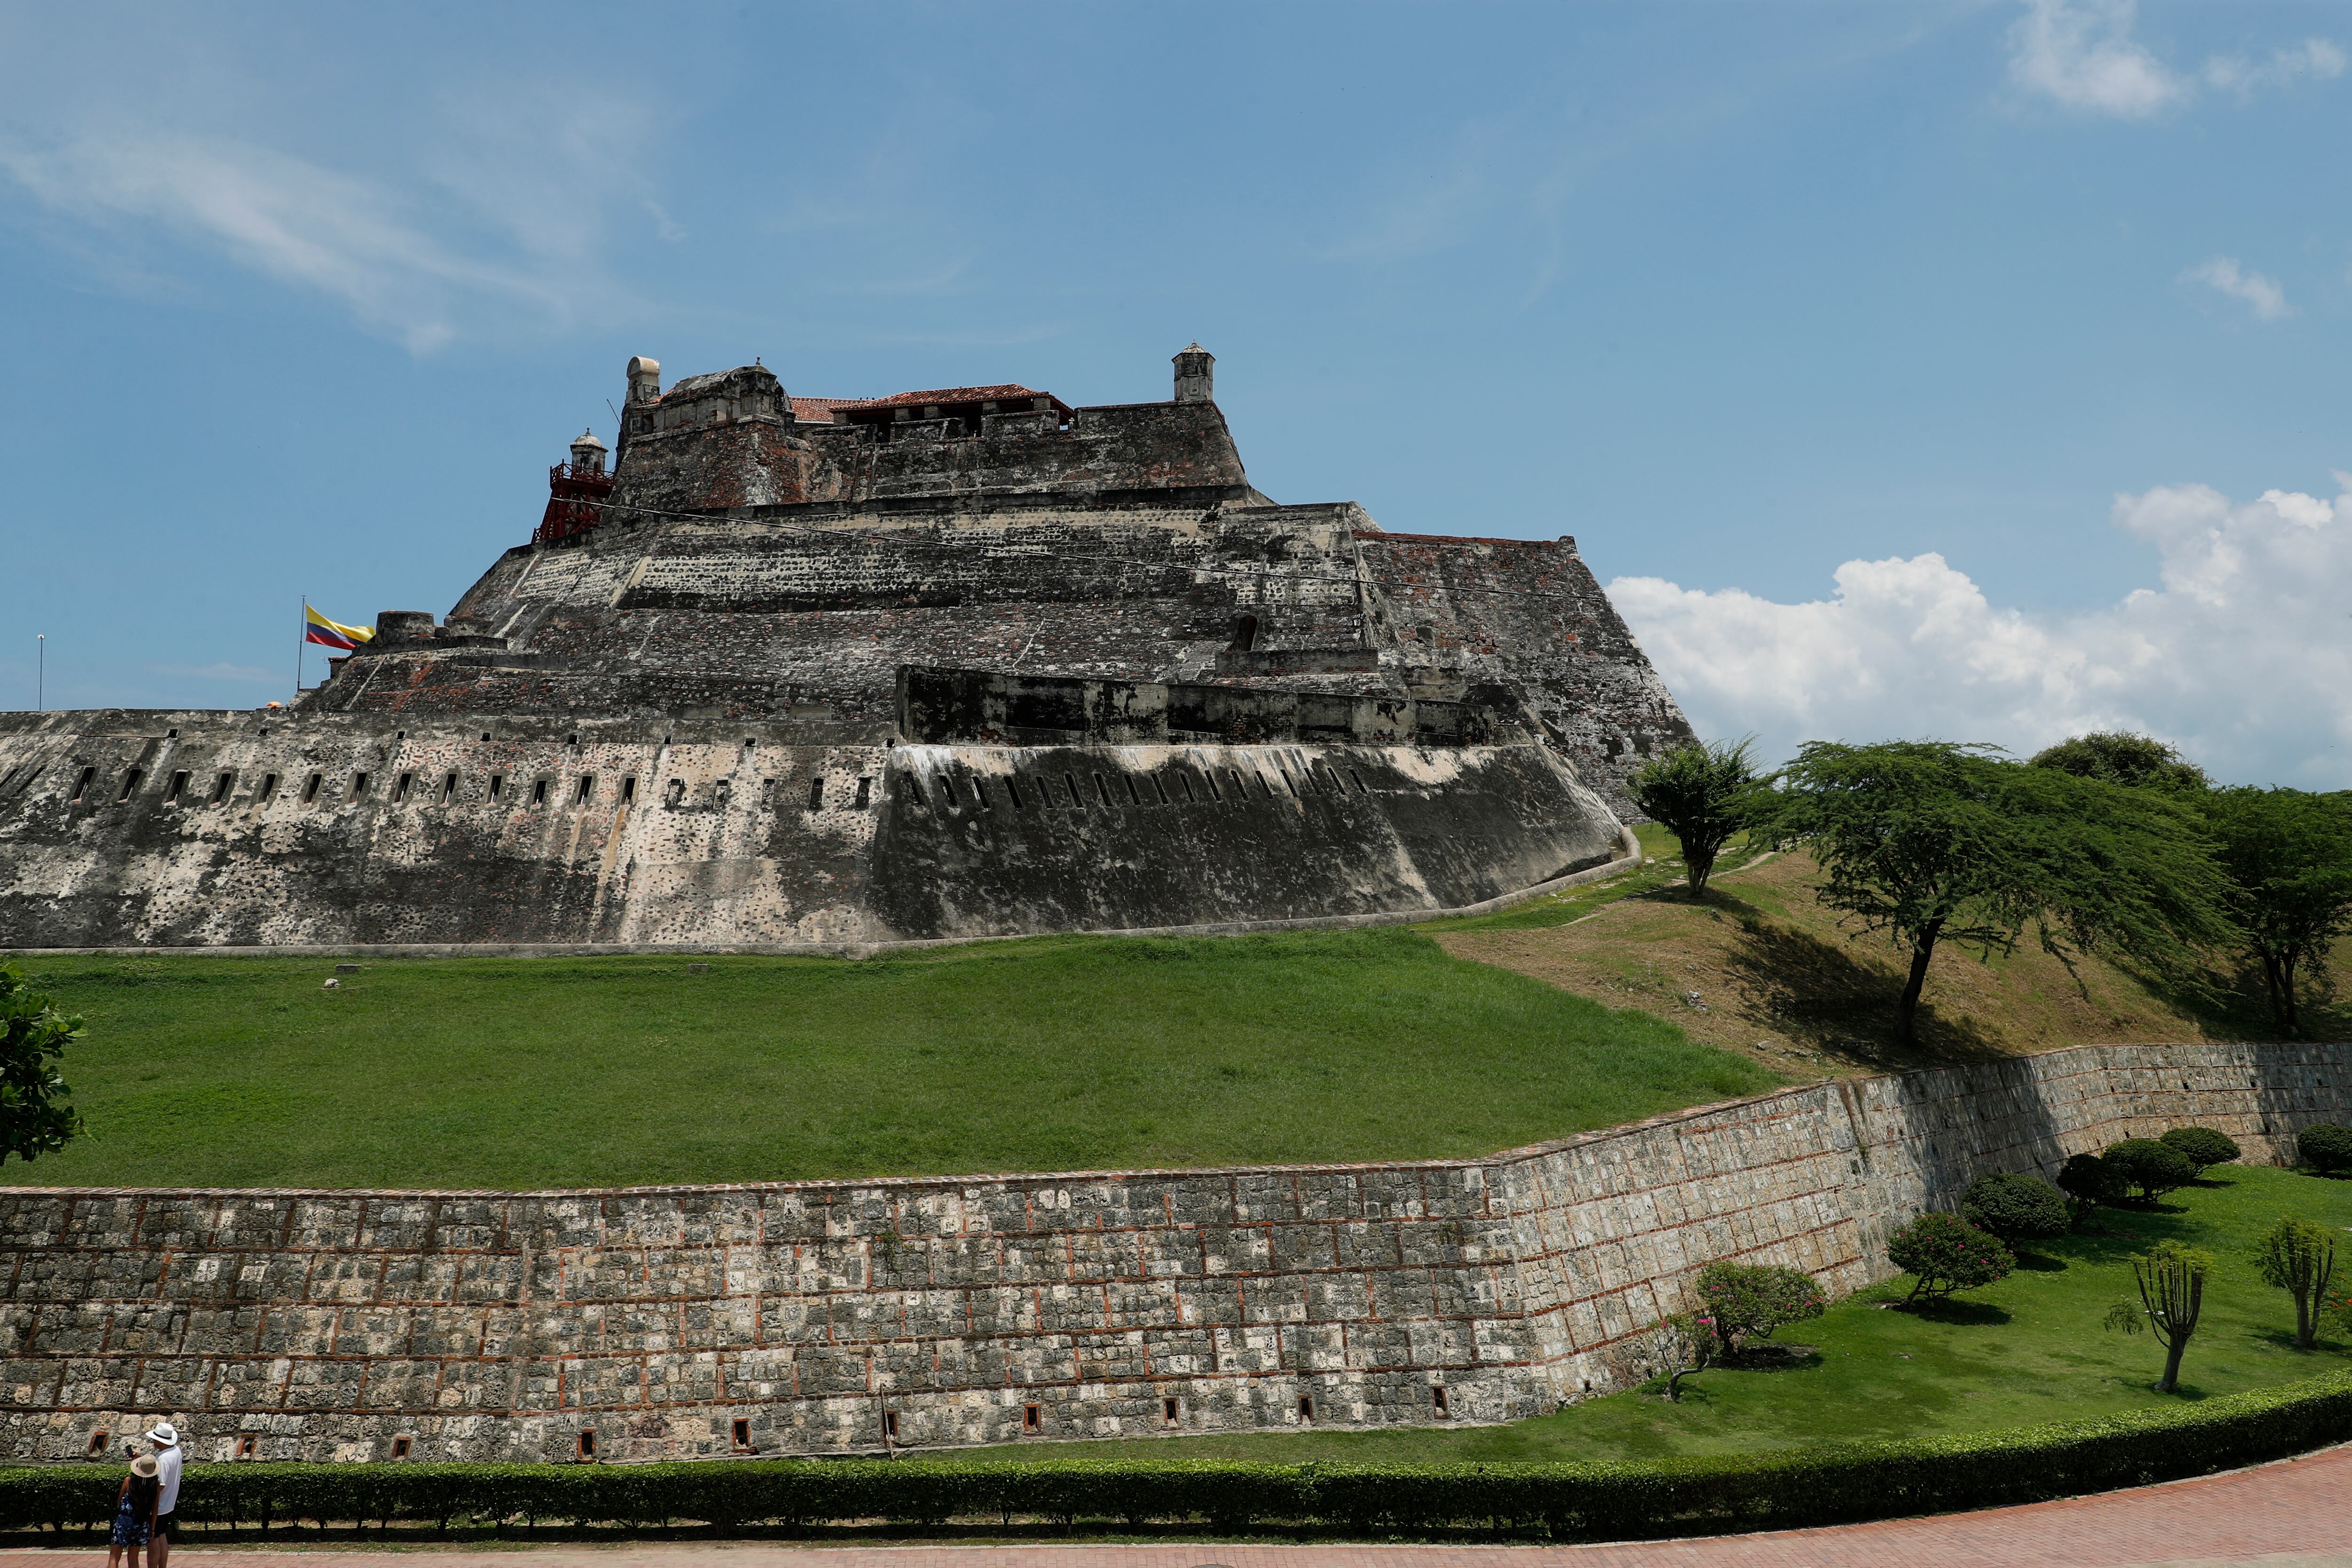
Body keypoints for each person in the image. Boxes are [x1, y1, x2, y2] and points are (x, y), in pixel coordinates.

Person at [106, 1454, 158, 1568]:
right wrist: (152, 1528)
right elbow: (155, 1508)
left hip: (125, 1520)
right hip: (142, 1520)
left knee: (114, 1556)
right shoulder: (155, 1484)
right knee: (134, 1557)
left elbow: (119, 1502)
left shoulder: (128, 1481)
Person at [145, 1424, 182, 1568]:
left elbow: (161, 1484)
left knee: (153, 1540)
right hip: (168, 1503)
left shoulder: (164, 1459)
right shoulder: (175, 1451)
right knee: (161, 1536)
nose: (153, 1442)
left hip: (158, 1506)